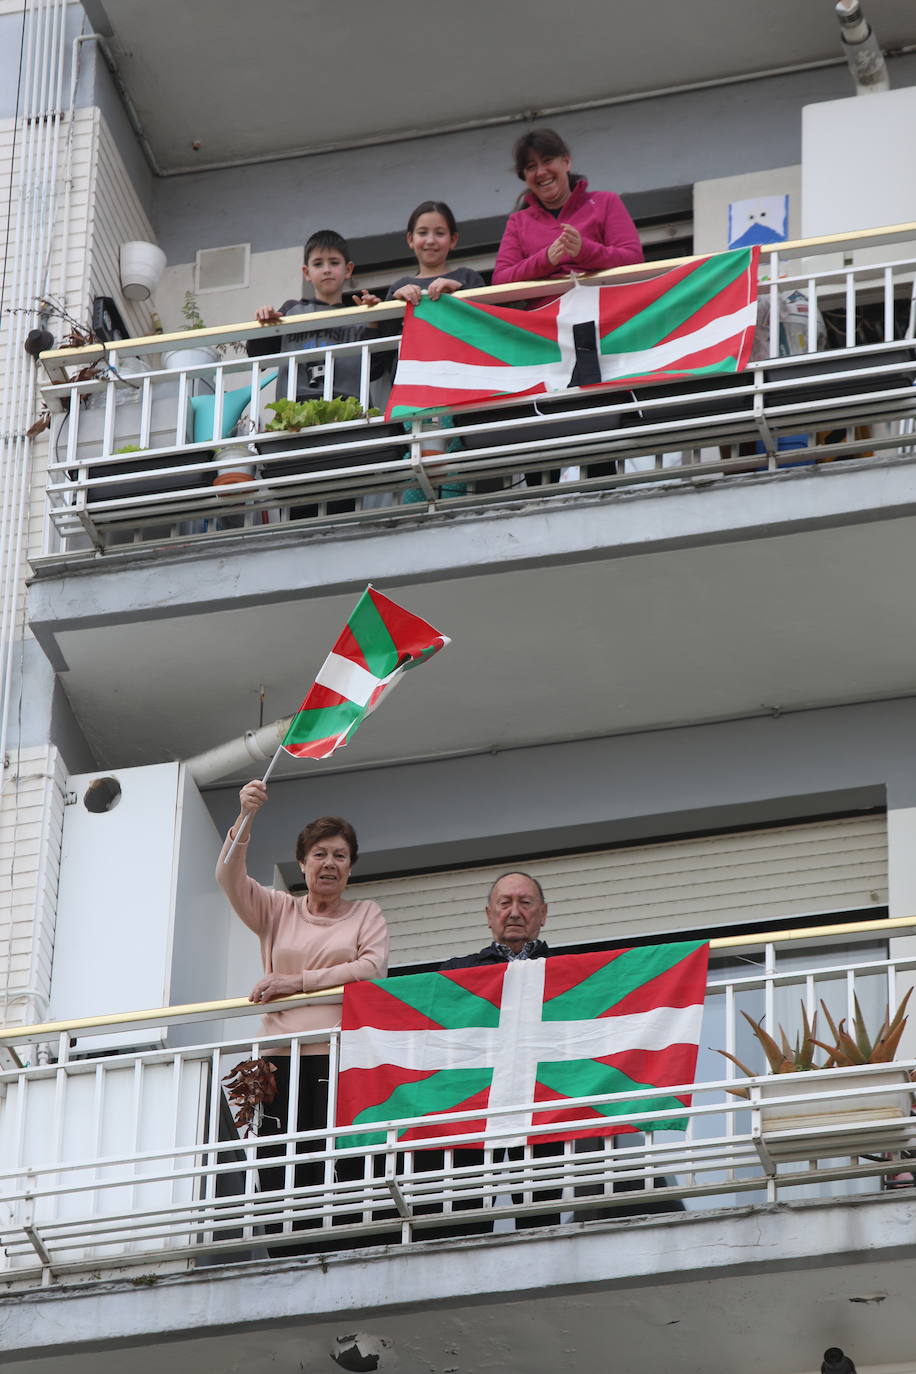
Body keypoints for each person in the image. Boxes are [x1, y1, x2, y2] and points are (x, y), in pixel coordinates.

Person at [216, 778, 389, 1244]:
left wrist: (295, 983)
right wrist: (246, 816)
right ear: (301, 863)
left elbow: (371, 971)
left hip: (339, 1053)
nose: (329, 863)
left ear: (350, 868)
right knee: (282, 1155)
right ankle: (288, 1244)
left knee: (337, 1155)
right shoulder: (276, 910)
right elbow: (228, 878)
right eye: (320, 854)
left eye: (339, 855)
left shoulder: (365, 914)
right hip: (279, 1057)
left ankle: (345, 1241)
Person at [492, 128, 644, 286]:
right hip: (547, 309)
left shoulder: (605, 201)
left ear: (566, 162)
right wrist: (544, 260)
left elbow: (633, 258)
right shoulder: (518, 222)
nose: (541, 172)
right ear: (525, 177)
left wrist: (584, 251)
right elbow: (500, 279)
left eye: (547, 161)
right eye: (531, 167)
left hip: (604, 304)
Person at [248, 228, 381, 402]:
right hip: (296, 413)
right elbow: (257, 355)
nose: (327, 269)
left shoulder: (358, 318)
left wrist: (374, 321)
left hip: (349, 412)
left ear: (348, 269)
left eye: (334, 262)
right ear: (306, 273)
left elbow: (375, 369)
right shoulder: (290, 311)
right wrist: (264, 324)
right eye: (318, 264)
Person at [387, 201, 485, 305]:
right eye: (422, 233)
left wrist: (460, 290)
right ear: (411, 239)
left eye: (439, 233)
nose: (430, 241)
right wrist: (370, 308)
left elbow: (487, 316)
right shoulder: (399, 288)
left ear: (453, 240)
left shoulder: (468, 278)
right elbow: (384, 320)